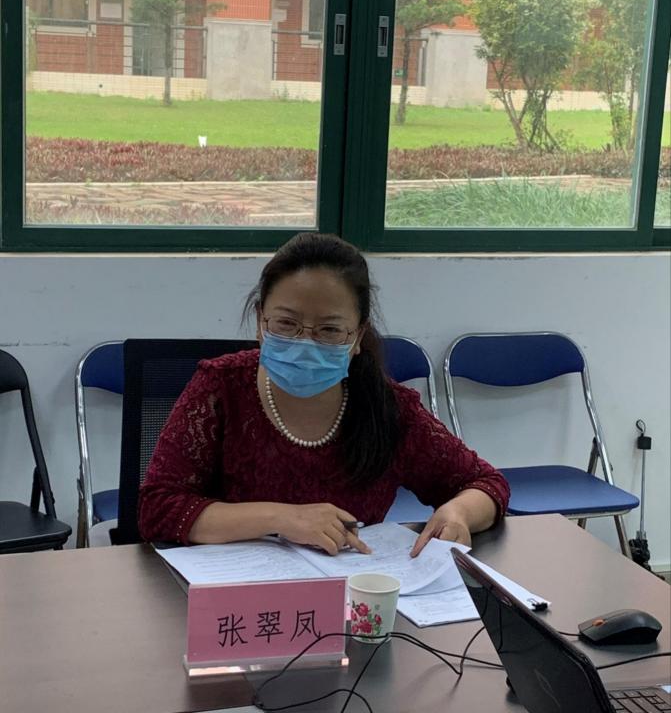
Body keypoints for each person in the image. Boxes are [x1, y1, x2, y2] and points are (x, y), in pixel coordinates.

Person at [138, 232, 509, 557]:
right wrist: (281, 518)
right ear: (260, 321)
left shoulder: (388, 408)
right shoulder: (220, 387)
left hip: (349, 598)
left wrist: (459, 513)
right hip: (236, 598)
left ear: (357, 336)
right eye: (286, 324)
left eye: (329, 330)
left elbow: (486, 484)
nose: (305, 343)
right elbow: (158, 508)